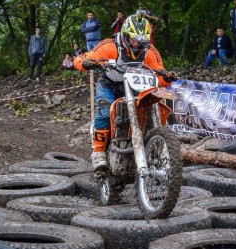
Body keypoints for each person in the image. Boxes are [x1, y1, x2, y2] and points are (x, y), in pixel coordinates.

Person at [74, 14, 176, 171]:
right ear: (126, 35)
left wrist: (167, 77)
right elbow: (85, 57)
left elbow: (159, 71)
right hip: (111, 85)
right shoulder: (110, 45)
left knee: (153, 109)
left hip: (137, 87)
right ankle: (99, 152)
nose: (137, 45)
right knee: (105, 111)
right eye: (134, 40)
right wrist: (86, 63)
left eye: (141, 42)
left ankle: (157, 146)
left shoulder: (150, 51)